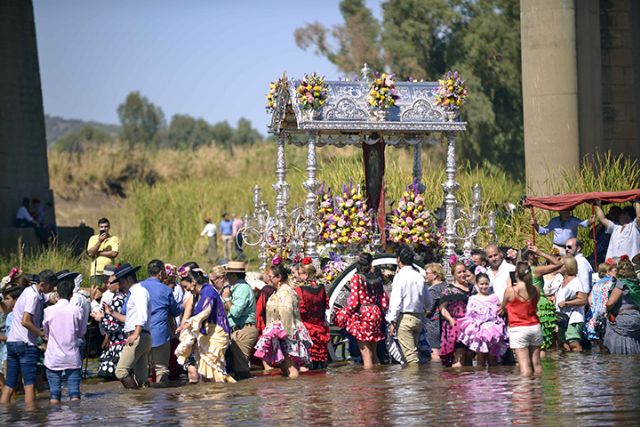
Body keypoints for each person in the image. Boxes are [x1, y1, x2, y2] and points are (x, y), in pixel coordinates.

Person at [1, 270, 58, 404]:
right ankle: (31, 417)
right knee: (29, 384)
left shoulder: (29, 291)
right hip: (25, 344)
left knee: (9, 384)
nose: (52, 289)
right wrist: (42, 334)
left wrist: (53, 297)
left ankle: (4, 414)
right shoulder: (33, 297)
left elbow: (44, 298)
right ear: (42, 285)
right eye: (50, 287)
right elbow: (25, 321)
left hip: (12, 343)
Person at [175, 269, 235, 382]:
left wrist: (189, 322)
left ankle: (220, 395)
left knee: (215, 368)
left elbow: (206, 312)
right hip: (209, 334)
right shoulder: (201, 293)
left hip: (217, 334)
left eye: (185, 286)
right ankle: (213, 396)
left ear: (193, 282)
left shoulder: (208, 292)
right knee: (206, 370)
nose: (185, 290)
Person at [254, 264, 312, 378]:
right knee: (285, 369)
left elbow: (286, 314)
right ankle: (290, 393)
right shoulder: (279, 291)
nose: (268, 279)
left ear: (279, 277)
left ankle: (294, 393)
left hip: (286, 333)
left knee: (291, 369)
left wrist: (283, 334)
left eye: (270, 276)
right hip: (281, 333)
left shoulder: (285, 292)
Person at [335, 253, 389, 369]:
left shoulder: (356, 278)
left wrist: (344, 313)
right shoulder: (376, 278)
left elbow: (354, 302)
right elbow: (384, 301)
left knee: (366, 355)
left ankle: (369, 384)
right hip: (376, 313)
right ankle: (380, 379)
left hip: (363, 314)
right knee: (374, 354)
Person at [104, 264, 152, 389]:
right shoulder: (135, 293)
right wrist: (112, 312)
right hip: (142, 335)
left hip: (138, 336)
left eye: (120, 282)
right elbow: (130, 319)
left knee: (120, 371)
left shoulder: (139, 292)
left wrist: (135, 334)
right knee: (141, 378)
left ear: (129, 279)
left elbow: (142, 315)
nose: (119, 286)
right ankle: (144, 403)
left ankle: (133, 398)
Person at [138, 259, 182, 386]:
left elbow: (125, 309)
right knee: (161, 369)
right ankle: (161, 400)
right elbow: (175, 311)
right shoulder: (166, 290)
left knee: (143, 369)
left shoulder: (138, 287)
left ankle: (143, 398)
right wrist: (185, 305)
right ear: (161, 273)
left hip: (140, 333)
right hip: (160, 335)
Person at [386, 248, 432, 366]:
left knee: (411, 357)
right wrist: (426, 309)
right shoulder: (419, 276)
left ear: (399, 260)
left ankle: (412, 382)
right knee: (414, 351)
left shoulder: (400, 277)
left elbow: (396, 301)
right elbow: (428, 300)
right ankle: (416, 380)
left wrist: (392, 320)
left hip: (404, 318)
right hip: (418, 318)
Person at [43, 279, 86, 404]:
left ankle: (55, 420)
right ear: (71, 295)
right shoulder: (77, 310)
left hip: (53, 357)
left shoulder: (48, 311)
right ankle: (75, 420)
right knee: (74, 394)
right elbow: (82, 332)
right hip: (72, 356)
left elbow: (46, 333)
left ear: (57, 294)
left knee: (54, 395)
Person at [500, 262, 543, 376]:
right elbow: (534, 306)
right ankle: (538, 390)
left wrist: (509, 285)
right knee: (537, 364)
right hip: (535, 327)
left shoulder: (510, 291)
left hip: (518, 328)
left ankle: (525, 392)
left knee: (525, 367)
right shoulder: (535, 289)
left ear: (516, 274)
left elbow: (503, 307)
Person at [458, 273, 508, 366]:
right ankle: (480, 379)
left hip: (493, 330)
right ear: (477, 284)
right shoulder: (473, 298)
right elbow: (469, 315)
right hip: (479, 331)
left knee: (493, 358)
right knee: (480, 359)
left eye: (486, 284)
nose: (484, 286)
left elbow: (498, 314)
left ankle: (494, 378)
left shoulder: (494, 297)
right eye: (481, 284)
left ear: (489, 284)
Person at [221, 261, 258, 380]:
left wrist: (226, 298)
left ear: (234, 275)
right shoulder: (238, 288)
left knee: (241, 369)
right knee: (238, 367)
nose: (226, 278)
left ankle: (245, 394)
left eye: (227, 275)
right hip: (239, 330)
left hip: (243, 330)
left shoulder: (242, 288)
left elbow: (236, 312)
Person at [90, 272, 127, 380]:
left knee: (118, 374)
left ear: (118, 283)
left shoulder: (117, 300)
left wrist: (101, 318)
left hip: (119, 344)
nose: (107, 285)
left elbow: (114, 326)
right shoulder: (124, 297)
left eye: (110, 282)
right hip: (120, 342)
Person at [295, 259, 330, 370]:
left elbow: (300, 311)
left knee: (307, 365)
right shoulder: (322, 288)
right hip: (321, 330)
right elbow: (325, 307)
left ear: (305, 275)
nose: (297, 276)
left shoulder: (300, 290)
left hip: (308, 330)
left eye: (299, 273)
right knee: (320, 365)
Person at [526, 245, 561, 354]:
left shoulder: (517, 271)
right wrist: (541, 252)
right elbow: (558, 264)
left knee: (529, 347)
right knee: (542, 345)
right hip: (540, 305)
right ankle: (545, 370)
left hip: (525, 306)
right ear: (532, 256)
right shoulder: (535, 270)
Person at [439, 262, 473, 367]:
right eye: (459, 272)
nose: (462, 274)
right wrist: (451, 320)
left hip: (470, 327)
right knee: (459, 356)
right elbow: (442, 308)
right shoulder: (449, 290)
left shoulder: (473, 288)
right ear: (454, 274)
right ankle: (455, 381)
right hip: (456, 327)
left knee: (469, 357)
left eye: (464, 271)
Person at [603, 258, 640, 354]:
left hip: (624, 317)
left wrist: (608, 311)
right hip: (636, 318)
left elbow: (610, 303)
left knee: (610, 328)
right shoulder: (636, 283)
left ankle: (617, 359)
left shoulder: (621, 283)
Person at [555, 256, 587, 352]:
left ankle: (577, 364)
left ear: (567, 266)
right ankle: (567, 365)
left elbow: (583, 300)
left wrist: (567, 303)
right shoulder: (561, 282)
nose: (557, 266)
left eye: (561, 265)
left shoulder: (576, 281)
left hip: (574, 317)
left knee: (573, 342)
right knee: (563, 343)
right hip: (562, 318)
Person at [585, 262, 617, 346]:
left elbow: (589, 300)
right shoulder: (613, 283)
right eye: (615, 270)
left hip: (594, 316)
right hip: (607, 314)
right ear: (608, 272)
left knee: (597, 345)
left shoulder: (596, 284)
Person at [86, 217, 120, 286]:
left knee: (110, 291)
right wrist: (99, 241)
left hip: (110, 271)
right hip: (96, 271)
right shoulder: (93, 238)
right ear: (99, 227)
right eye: (101, 227)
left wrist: (98, 253)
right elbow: (90, 253)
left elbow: (114, 253)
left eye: (106, 227)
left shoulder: (113, 239)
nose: (104, 229)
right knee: (96, 292)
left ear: (109, 227)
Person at [424, 263, 446, 360]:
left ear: (435, 275)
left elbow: (428, 310)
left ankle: (436, 374)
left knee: (435, 354)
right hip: (443, 324)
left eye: (427, 273)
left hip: (433, 325)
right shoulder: (445, 286)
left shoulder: (434, 290)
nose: (425, 276)